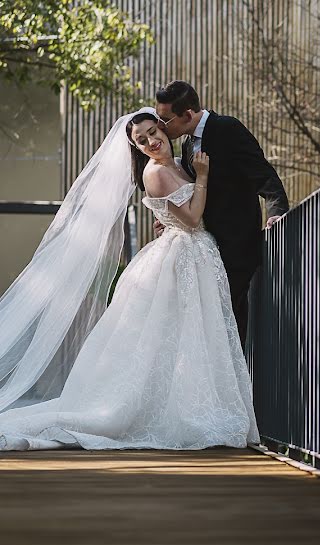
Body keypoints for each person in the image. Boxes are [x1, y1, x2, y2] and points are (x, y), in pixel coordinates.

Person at [0, 108, 259, 451]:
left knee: (192, 337)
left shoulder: (176, 165)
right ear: (136, 148)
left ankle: (192, 405)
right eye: (142, 140)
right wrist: (202, 176)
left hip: (194, 255)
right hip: (182, 255)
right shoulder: (156, 173)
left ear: (164, 130)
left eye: (154, 132)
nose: (152, 141)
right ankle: (174, 414)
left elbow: (181, 213)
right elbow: (194, 220)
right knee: (179, 334)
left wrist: (179, 200)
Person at [154, 81, 289, 347]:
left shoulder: (227, 128)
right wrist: (170, 221)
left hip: (237, 248)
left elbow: (263, 174)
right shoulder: (186, 145)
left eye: (165, 119)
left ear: (188, 115)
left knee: (227, 326)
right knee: (217, 326)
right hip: (209, 248)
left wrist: (277, 211)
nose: (161, 126)